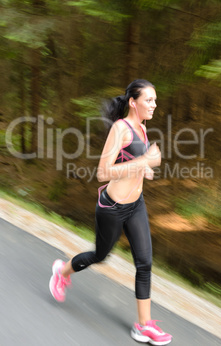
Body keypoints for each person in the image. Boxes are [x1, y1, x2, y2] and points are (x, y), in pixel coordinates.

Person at [49, 79, 172, 345]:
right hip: (113, 209)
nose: (154, 104)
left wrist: (146, 167)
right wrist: (144, 160)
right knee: (100, 255)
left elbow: (131, 162)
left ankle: (144, 326)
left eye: (155, 100)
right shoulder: (121, 128)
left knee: (145, 263)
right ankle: (62, 272)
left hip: (136, 205)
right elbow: (103, 172)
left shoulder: (142, 126)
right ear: (133, 102)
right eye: (149, 100)